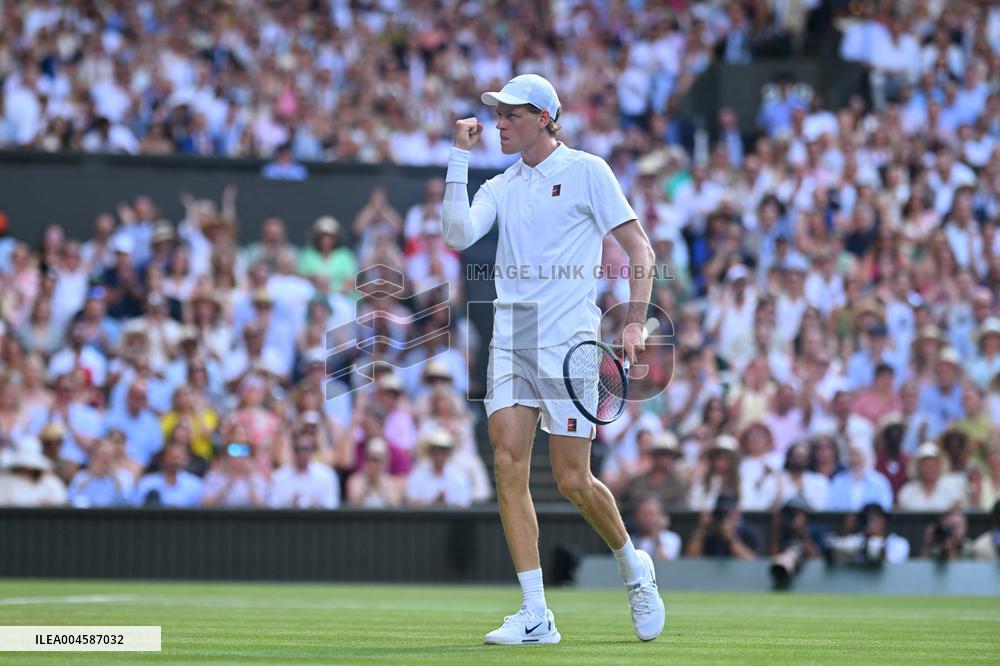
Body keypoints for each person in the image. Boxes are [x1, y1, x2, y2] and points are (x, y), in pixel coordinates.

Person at [443, 74, 663, 644]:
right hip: (513, 341)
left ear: (544, 117)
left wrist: (635, 319)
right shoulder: (498, 184)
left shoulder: (589, 171)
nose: (499, 124)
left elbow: (640, 247)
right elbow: (456, 233)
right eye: (496, 115)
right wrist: (457, 158)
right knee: (507, 463)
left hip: (570, 343)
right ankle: (537, 613)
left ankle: (633, 568)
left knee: (572, 480)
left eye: (511, 115)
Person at [630, 496, 682, 561]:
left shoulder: (671, 539)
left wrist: (657, 533)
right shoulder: (631, 540)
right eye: (643, 514)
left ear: (660, 516)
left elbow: (665, 563)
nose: (647, 518)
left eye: (651, 514)